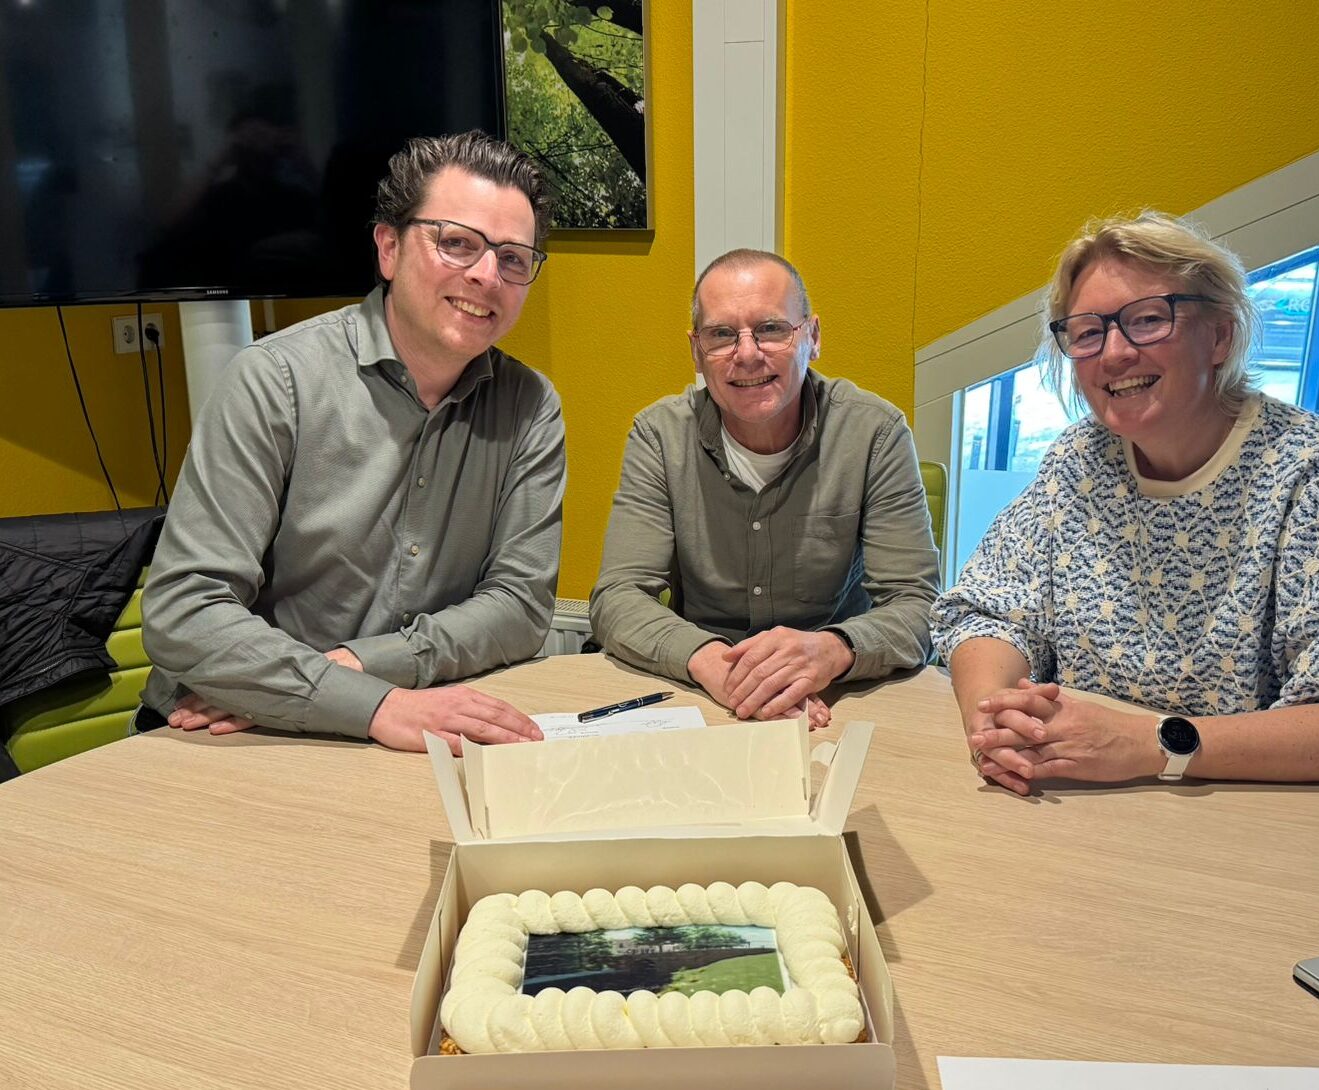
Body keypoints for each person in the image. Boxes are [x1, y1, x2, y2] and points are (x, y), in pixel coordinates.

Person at [932, 211, 1319, 796]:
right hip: (1093, 804)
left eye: (1148, 320)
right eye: (1087, 331)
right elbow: (987, 610)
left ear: (1220, 336)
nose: (1115, 352)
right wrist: (998, 719)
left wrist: (1149, 744)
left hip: (1257, 819)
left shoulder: (1312, 475)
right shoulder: (1078, 460)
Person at [141, 132, 565, 756]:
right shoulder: (274, 381)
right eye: (457, 243)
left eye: (513, 257)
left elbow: (519, 605)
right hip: (230, 738)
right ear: (389, 247)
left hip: (398, 727)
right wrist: (370, 702)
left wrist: (355, 673)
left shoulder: (530, 407)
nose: (485, 274)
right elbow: (185, 610)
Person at [590, 249, 939, 725]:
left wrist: (832, 651)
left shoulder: (874, 433)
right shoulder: (659, 436)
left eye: (772, 328)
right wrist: (723, 669)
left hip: (836, 697)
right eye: (721, 335)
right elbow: (618, 597)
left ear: (811, 337)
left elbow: (917, 606)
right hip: (704, 692)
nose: (747, 353)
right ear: (697, 351)